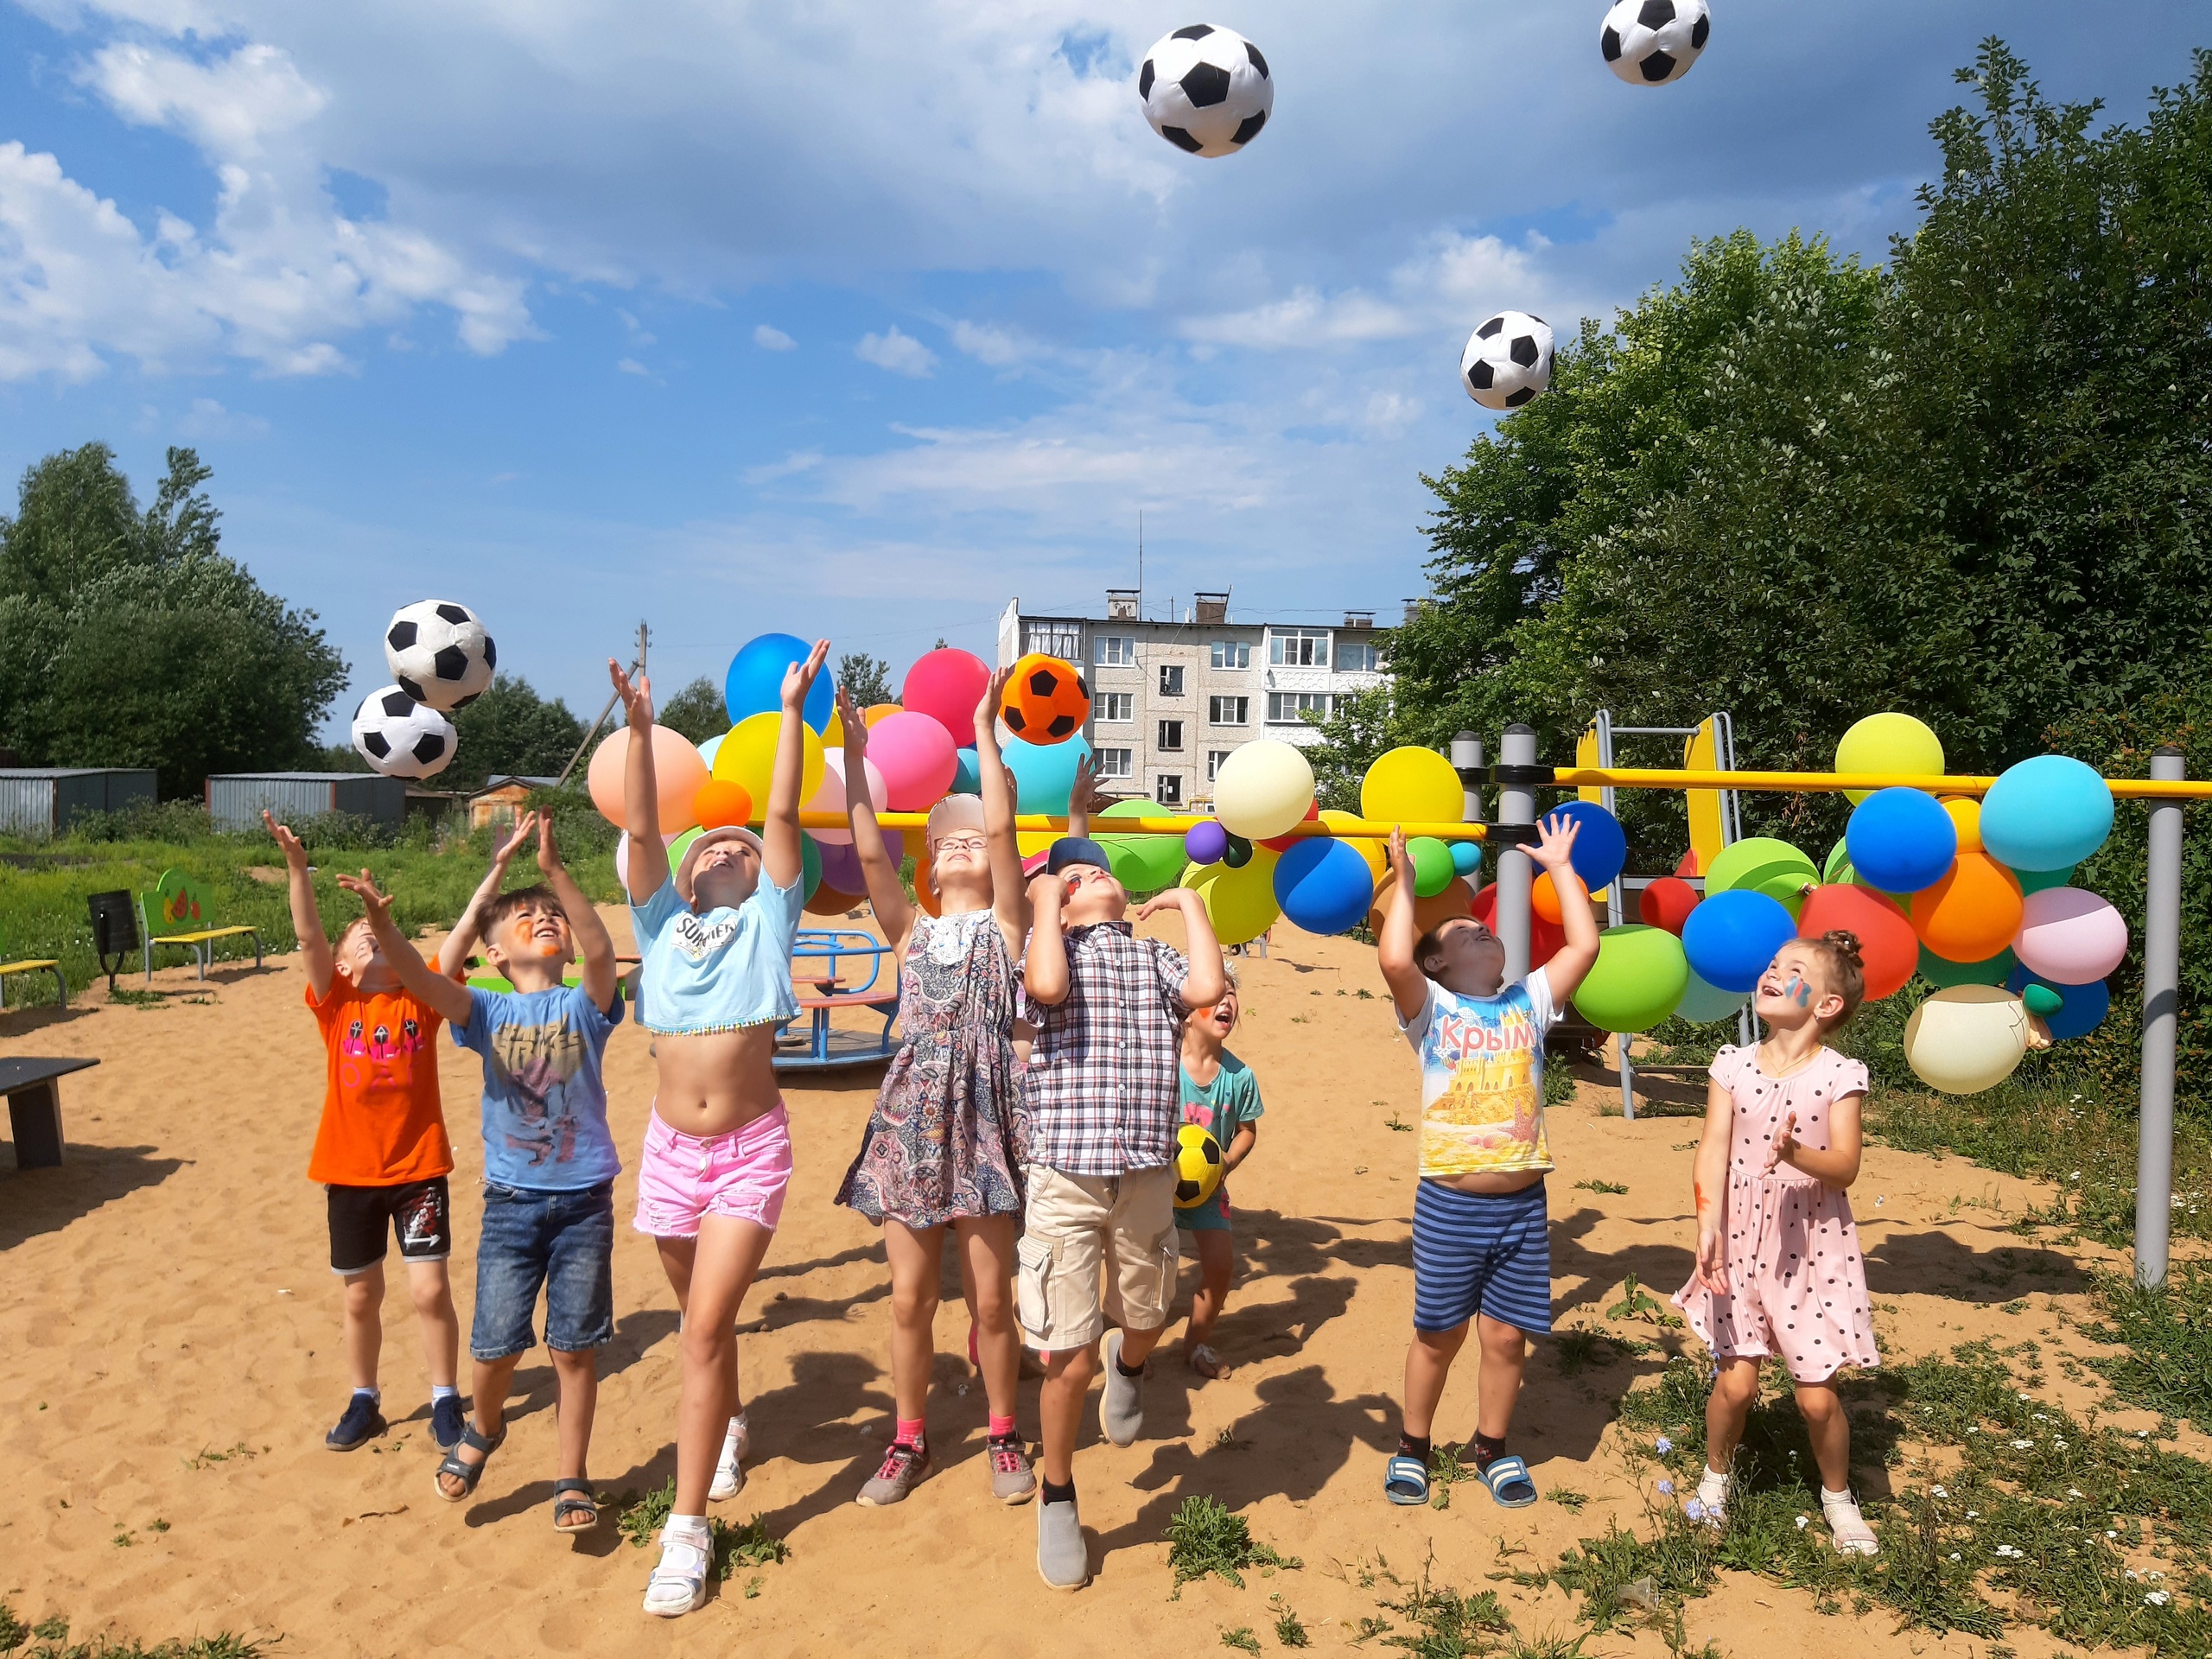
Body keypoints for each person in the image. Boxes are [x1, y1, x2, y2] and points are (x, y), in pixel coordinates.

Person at [613, 640, 825, 1618]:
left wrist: (790, 715)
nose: (727, 851)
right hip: (668, 1155)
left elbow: (778, 812)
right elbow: (649, 834)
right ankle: (731, 1422)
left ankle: (686, 1531)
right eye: (713, 850)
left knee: (700, 1331)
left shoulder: (770, 921)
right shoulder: (658, 923)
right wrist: (643, 732)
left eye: (738, 849)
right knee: (706, 1322)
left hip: (748, 1149)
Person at [338, 810, 624, 1535]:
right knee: (495, 1347)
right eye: (527, 918)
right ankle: (486, 1430)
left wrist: (558, 872)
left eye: (550, 914)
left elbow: (601, 954)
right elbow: (422, 978)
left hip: (585, 1203)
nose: (544, 920)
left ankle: (571, 1476)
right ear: (494, 954)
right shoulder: (484, 1011)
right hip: (512, 1205)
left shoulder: (587, 1007)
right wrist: (385, 924)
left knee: (573, 1347)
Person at [832, 667, 1035, 1507]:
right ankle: (907, 1439)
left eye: (973, 839)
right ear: (928, 869)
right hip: (911, 1120)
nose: (959, 843)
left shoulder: (1009, 924)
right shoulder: (909, 927)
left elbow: (1002, 821)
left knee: (992, 1299)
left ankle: (1000, 1432)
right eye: (943, 840)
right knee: (909, 1297)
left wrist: (984, 733)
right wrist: (851, 755)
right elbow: (870, 843)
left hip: (986, 1116)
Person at [1020, 836, 1226, 1591]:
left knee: (1147, 1315)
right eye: (1072, 876)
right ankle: (1059, 1493)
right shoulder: (1050, 957)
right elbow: (1045, 986)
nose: (1093, 875)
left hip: (1145, 1175)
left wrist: (1193, 906)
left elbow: (1207, 985)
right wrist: (1046, 901)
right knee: (1066, 1356)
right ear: (1058, 904)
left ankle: (1130, 1363)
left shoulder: (1150, 959)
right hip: (1065, 1179)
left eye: (1098, 867)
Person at [1375, 817, 1599, 1510]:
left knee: (1506, 1338)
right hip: (1451, 1203)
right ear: (1437, 963)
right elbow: (1392, 961)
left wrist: (1558, 866)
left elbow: (1585, 944)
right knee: (1437, 1335)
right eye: (1467, 932)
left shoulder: (1528, 1001)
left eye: (1488, 929)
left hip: (1523, 1206)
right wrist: (1404, 882)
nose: (1484, 930)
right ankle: (1413, 1445)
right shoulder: (1431, 1008)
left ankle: (1492, 1448)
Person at [1672, 932, 1884, 1554]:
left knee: (1817, 1400)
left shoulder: (1840, 1076)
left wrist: (1796, 1154)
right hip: (1739, 1239)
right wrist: (1706, 1221)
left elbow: (1845, 1167)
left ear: (1825, 1006)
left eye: (1794, 970)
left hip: (1809, 1251)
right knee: (1736, 1385)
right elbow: (1713, 1146)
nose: (1772, 973)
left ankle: (1839, 1500)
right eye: (1771, 965)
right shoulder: (1730, 1065)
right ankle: (1714, 1481)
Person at [267, 809, 464, 1456]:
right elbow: (307, 939)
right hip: (349, 1172)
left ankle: (443, 1398)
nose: (367, 940)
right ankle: (365, 1399)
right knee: (362, 1296)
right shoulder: (337, 1004)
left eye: (376, 932)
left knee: (429, 1288)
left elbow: (458, 942)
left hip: (417, 1168)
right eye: (358, 938)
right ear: (344, 966)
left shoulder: (419, 1001)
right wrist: (299, 870)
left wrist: (490, 874)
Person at [1173, 967, 1263, 1382]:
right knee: (1145, 1270)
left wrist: (1226, 1162)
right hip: (1157, 1188)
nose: (1227, 1001)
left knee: (1220, 1268)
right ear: (1187, 1012)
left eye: (1232, 994)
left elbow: (1247, 1130)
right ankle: (1131, 1347)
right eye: (1216, 994)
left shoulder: (1240, 1077)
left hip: (1209, 1190)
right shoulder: (1163, 1063)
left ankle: (1194, 1344)